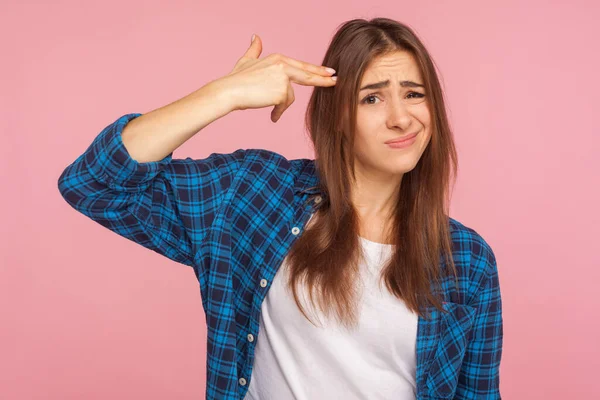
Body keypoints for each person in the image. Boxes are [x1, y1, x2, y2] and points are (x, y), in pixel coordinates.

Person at [57, 17, 503, 400]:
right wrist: (222, 95)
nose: (400, 117)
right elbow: (95, 183)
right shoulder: (256, 195)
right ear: (337, 115)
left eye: (413, 94)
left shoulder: (466, 259)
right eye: (372, 97)